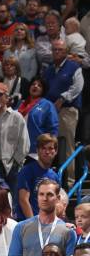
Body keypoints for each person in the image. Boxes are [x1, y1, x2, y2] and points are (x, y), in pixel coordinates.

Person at [8, 179, 76, 256]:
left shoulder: (67, 232)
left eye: (49, 194)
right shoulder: (21, 227)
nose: (45, 198)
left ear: (57, 198)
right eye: (41, 194)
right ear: (37, 197)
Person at [43, 39, 84, 186]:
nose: (57, 52)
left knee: (66, 145)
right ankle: (50, 178)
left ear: (66, 51)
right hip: (50, 111)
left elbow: (78, 87)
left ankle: (70, 181)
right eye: (54, 50)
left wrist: (62, 98)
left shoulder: (73, 67)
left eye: (60, 49)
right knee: (49, 145)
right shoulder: (49, 70)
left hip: (67, 110)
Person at [16, 134, 59, 221]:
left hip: (47, 223)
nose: (47, 152)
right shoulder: (27, 170)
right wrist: (34, 223)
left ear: (56, 151)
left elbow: (55, 203)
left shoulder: (55, 176)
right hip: (28, 223)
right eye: (43, 148)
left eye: (50, 148)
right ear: (37, 151)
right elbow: (23, 200)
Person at [17, 78, 59, 157]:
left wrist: (49, 148)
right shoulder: (21, 103)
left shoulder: (47, 105)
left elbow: (53, 129)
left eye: (39, 85)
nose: (35, 86)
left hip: (36, 150)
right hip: (17, 148)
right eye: (33, 84)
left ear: (43, 90)